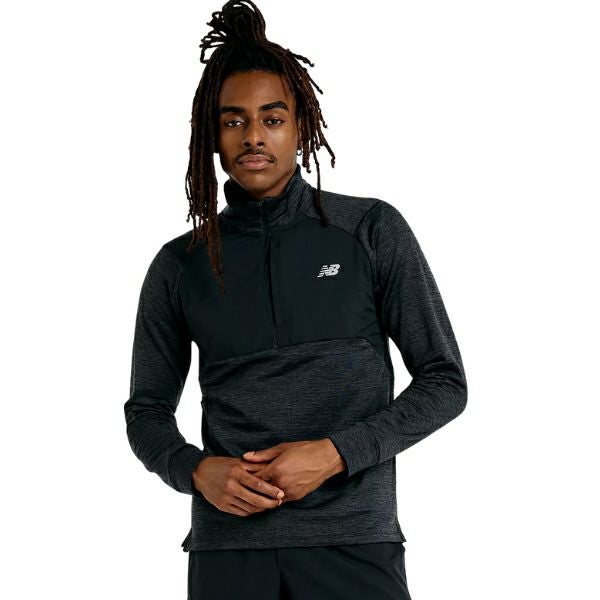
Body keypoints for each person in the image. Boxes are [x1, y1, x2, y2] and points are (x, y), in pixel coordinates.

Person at [123, 1, 468, 598]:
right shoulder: (180, 264)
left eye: (273, 118)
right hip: (228, 552)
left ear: (301, 127)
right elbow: (146, 411)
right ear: (211, 136)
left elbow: (444, 382)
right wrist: (196, 470)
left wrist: (336, 454)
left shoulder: (369, 230)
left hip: (353, 544)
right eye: (233, 121)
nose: (253, 136)